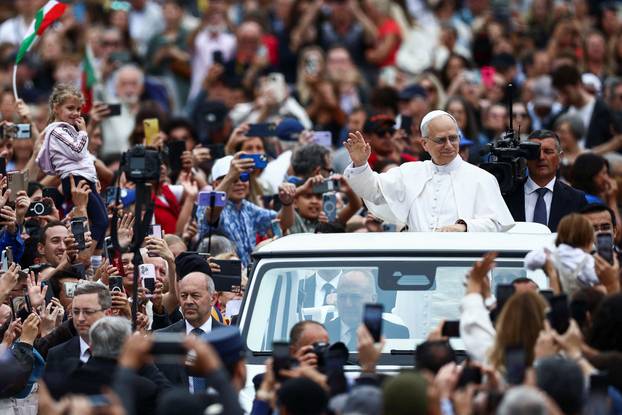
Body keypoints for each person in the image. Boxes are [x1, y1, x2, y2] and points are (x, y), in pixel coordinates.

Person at [344, 110, 514, 232]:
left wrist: (464, 227)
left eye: (453, 138)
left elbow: (498, 224)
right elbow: (373, 191)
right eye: (441, 140)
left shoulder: (482, 178)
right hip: (419, 263)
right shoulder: (409, 173)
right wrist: (360, 164)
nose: (448, 145)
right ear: (424, 144)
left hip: (463, 267)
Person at [35, 84, 109, 248]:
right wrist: (83, 132)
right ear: (56, 108)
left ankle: (91, 256)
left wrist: (93, 177)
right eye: (70, 108)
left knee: (103, 220)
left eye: (78, 109)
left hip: (83, 178)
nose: (76, 113)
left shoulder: (67, 130)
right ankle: (88, 256)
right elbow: (77, 151)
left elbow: (83, 157)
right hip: (76, 179)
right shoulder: (56, 131)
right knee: (100, 221)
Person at [53, 317, 170, 415]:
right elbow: (172, 403)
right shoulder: (143, 388)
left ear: (91, 346)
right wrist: (143, 358)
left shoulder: (66, 381)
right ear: (127, 348)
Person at [503, 130, 587, 232]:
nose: (541, 157)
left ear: (560, 157)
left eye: (548, 151)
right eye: (535, 152)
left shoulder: (576, 200)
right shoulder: (506, 196)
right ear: (525, 158)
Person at [154, 271, 224, 391]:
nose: (188, 301)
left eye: (195, 295)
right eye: (183, 296)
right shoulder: (163, 338)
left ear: (213, 298)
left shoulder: (227, 338)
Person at [42, 281, 113, 399]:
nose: (80, 319)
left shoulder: (129, 353)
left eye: (88, 312)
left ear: (108, 313)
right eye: (75, 312)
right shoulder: (56, 355)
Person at [325, 270, 408, 350]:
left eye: (355, 297)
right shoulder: (321, 334)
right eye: (342, 296)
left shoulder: (395, 333)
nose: (348, 304)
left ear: (373, 299)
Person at [524, 214, 599, 295]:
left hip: (557, 302)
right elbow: (598, 279)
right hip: (580, 304)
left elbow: (528, 263)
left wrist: (547, 252)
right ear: (587, 238)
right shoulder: (587, 260)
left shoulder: (551, 254)